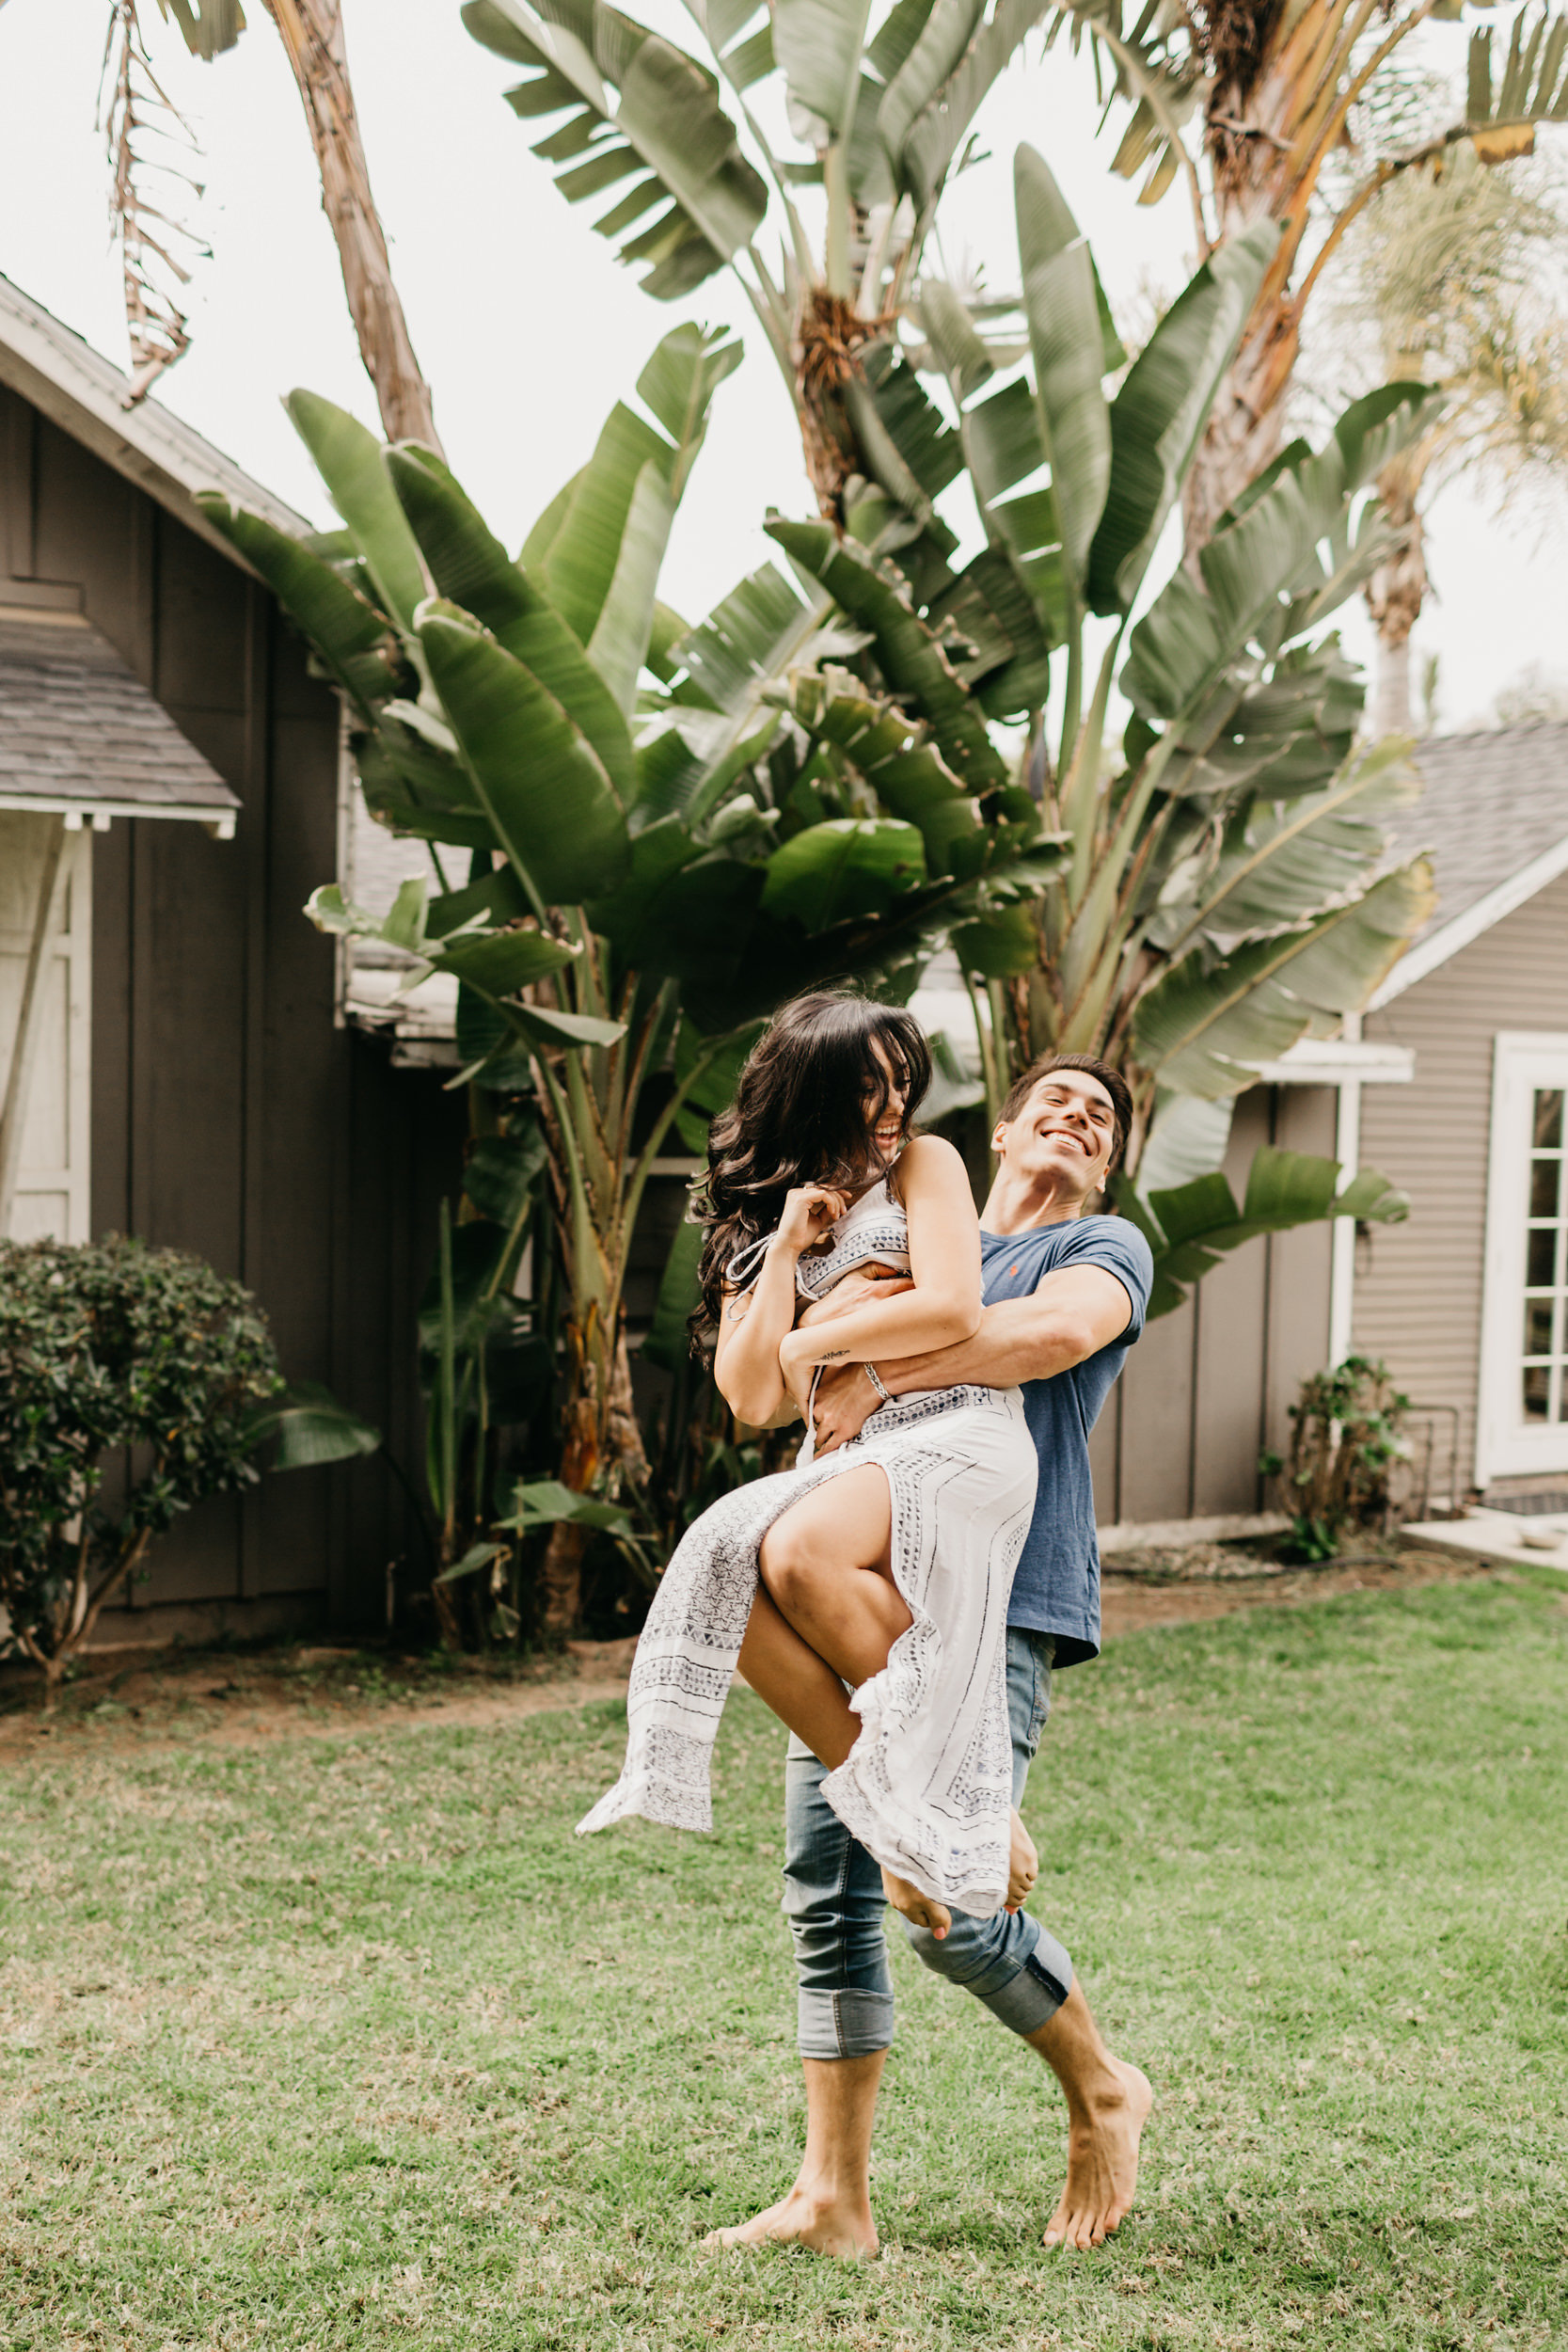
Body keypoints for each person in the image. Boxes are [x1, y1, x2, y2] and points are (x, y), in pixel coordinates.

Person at [710, 1051, 1156, 2260]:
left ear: (1105, 1161)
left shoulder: (1098, 1249)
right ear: (1003, 1130)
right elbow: (764, 1375)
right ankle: (829, 2198)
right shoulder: (899, 1224)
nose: (1074, 1117)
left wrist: (869, 1362)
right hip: (855, 1584)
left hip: (1000, 1596)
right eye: (1052, 1101)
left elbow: (1045, 1339)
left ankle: (1100, 2082)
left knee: (947, 1906)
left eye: (1099, 1115)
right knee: (831, 1892)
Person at [578, 991, 1040, 1934]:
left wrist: (807, 1344)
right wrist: (788, 1250)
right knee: (721, 1571)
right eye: (866, 1082)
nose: (889, 1103)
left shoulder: (925, 1162)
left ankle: (971, 1792)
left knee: (790, 1556)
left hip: (957, 1427)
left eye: (900, 1078)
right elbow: (748, 1400)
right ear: (810, 1086)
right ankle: (888, 1822)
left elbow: (952, 1307)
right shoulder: (754, 1226)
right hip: (850, 1459)